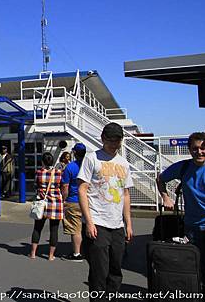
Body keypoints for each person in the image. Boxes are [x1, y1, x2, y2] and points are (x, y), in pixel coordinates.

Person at [78, 123, 133, 301]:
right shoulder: (92, 158)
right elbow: (82, 189)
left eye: (117, 141)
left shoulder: (123, 163)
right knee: (99, 271)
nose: (114, 144)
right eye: (110, 140)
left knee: (116, 270)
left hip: (117, 225)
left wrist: (128, 224)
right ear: (102, 139)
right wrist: (89, 222)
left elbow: (125, 194)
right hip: (98, 222)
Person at [156, 131, 205, 297]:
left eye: (203, 148)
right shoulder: (184, 167)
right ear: (189, 150)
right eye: (195, 149)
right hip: (191, 227)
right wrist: (166, 197)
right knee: (196, 267)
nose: (199, 152)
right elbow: (160, 179)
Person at [29, 152, 63, 260]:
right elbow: (62, 186)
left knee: (37, 228)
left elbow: (35, 185)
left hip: (41, 203)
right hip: (55, 203)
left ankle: (33, 253)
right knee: (54, 229)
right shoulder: (58, 173)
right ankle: (51, 255)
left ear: (42, 162)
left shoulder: (38, 173)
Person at [61, 143, 86, 262]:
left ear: (75, 153)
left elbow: (65, 186)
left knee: (75, 228)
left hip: (73, 201)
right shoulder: (88, 166)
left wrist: (64, 199)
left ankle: (77, 253)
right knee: (89, 226)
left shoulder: (70, 167)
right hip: (88, 200)